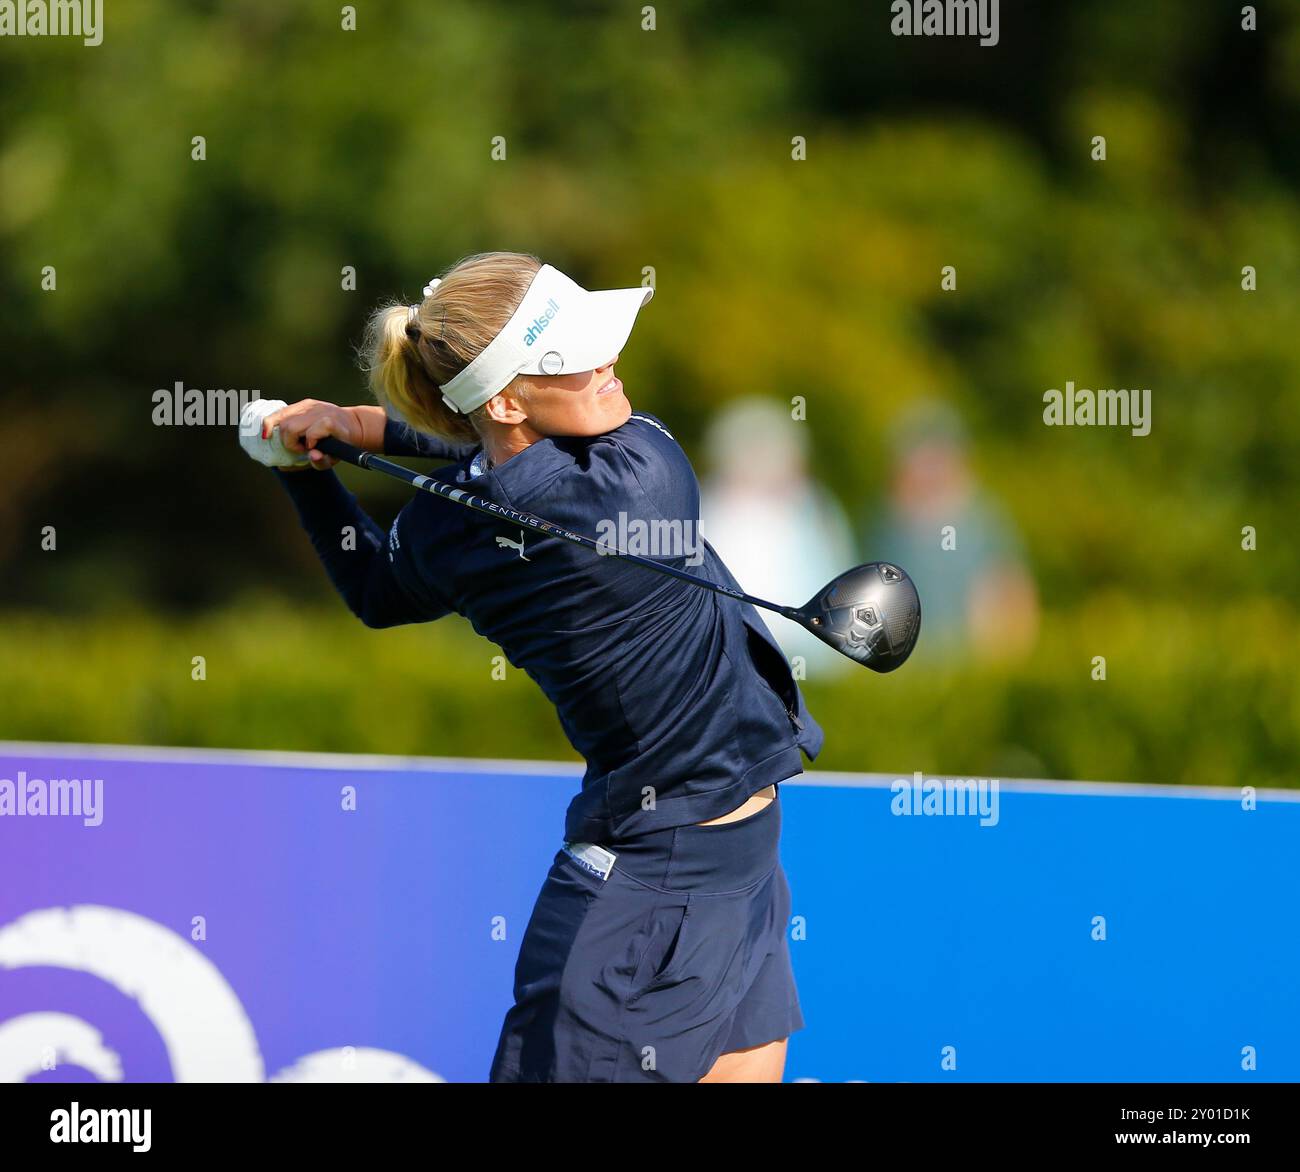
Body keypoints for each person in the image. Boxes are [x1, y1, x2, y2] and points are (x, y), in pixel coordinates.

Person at [259, 251, 824, 1082]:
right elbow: (501, 461)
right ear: (508, 395)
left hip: (715, 858)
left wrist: (317, 459)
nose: (608, 368)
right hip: (655, 881)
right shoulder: (647, 476)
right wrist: (358, 428)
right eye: (575, 360)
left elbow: (384, 585)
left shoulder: (441, 533)